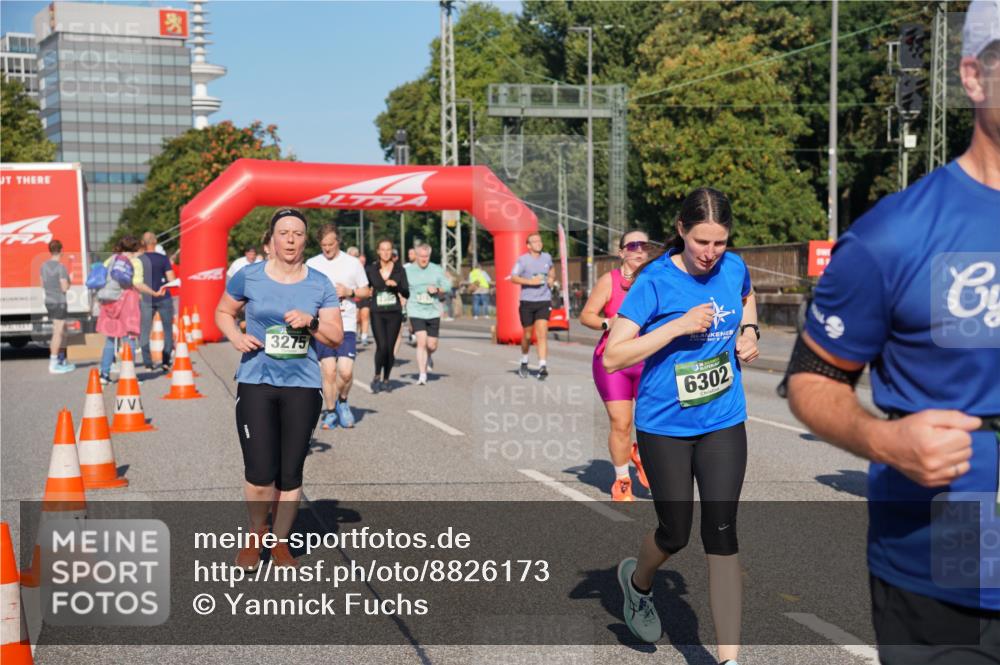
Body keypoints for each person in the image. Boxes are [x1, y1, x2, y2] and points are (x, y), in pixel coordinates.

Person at [786, 6, 1000, 662]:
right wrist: (882, 438)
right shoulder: (895, 234)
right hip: (950, 560)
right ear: (973, 76)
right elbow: (809, 379)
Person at [603, 188, 759, 665]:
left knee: (723, 531)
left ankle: (729, 659)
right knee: (675, 533)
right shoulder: (654, 282)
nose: (711, 253)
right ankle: (638, 583)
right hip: (664, 425)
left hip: (722, 418)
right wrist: (674, 327)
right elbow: (614, 355)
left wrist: (749, 332)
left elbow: (746, 299)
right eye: (701, 242)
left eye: (720, 242)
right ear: (680, 231)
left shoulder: (733, 268)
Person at [215, 209, 343, 569]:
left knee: (290, 471)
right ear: (271, 238)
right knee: (259, 471)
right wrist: (236, 336)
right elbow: (223, 311)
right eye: (283, 232)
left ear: (306, 240)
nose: (290, 239)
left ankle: (281, 543)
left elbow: (334, 337)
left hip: (302, 385)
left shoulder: (319, 283)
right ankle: (256, 534)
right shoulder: (249, 276)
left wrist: (311, 321)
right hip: (257, 380)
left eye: (297, 233)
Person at [580, 230, 653, 502]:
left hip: (649, 360)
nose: (639, 250)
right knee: (621, 423)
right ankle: (622, 480)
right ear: (622, 252)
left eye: (644, 245)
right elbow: (586, 315)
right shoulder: (608, 281)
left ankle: (643, 456)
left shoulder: (657, 280)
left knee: (651, 422)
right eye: (632, 245)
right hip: (614, 362)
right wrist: (607, 323)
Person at [306, 224, 370, 429]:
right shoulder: (312, 264)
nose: (327, 249)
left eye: (330, 244)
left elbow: (366, 292)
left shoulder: (352, 263)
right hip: (322, 326)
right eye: (323, 245)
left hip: (347, 324)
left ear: (338, 242)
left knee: (345, 372)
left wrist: (349, 292)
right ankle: (331, 411)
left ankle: (343, 400)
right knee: (329, 371)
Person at [96, 235, 163, 385]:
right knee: (130, 339)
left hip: (109, 303)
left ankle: (104, 374)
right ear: (135, 249)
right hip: (127, 303)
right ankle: (129, 375)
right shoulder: (135, 262)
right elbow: (137, 284)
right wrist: (154, 293)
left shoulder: (112, 259)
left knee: (110, 339)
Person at [366, 238, 409, 393]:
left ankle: (386, 379)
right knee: (382, 346)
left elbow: (406, 292)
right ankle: (377, 375)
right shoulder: (371, 269)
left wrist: (396, 286)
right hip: (377, 312)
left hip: (394, 312)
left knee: (390, 349)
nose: (385, 252)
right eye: (382, 249)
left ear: (392, 251)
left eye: (388, 249)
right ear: (378, 251)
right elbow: (365, 288)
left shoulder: (399, 270)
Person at [404, 244, 451, 385]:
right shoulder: (408, 271)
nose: (424, 259)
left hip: (433, 311)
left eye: (426, 256)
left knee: (432, 345)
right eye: (421, 256)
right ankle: (422, 375)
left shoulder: (436, 269)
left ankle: (429, 356)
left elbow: (447, 286)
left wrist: (437, 288)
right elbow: (402, 289)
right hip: (415, 310)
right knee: (421, 341)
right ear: (416, 255)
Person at [511, 233, 556, 380]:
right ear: (528, 246)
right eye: (534, 241)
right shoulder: (523, 260)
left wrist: (551, 279)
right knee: (528, 335)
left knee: (542, 333)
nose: (539, 243)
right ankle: (524, 360)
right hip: (527, 302)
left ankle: (542, 366)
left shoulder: (547, 257)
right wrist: (531, 282)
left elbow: (552, 270)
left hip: (544, 300)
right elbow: (514, 277)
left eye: (540, 240)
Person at [138, 232, 176, 371]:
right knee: (167, 329)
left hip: (146, 298)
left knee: (145, 330)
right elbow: (171, 279)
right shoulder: (163, 259)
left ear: (143, 242)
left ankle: (148, 363)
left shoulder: (139, 259)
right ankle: (166, 361)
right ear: (155, 241)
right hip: (164, 297)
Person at [40, 239, 75, 374]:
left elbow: (42, 284)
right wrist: (69, 280)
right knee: (58, 332)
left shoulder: (43, 266)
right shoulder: (60, 267)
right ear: (61, 250)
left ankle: (61, 359)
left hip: (49, 300)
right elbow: (64, 287)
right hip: (59, 301)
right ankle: (54, 363)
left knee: (62, 330)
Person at [348, 247, 372, 346]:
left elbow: (371, 282)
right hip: (353, 296)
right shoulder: (346, 269)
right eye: (352, 255)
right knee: (357, 318)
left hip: (364, 296)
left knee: (365, 316)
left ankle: (364, 337)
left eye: (356, 255)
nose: (354, 257)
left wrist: (371, 290)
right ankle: (354, 334)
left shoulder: (364, 268)